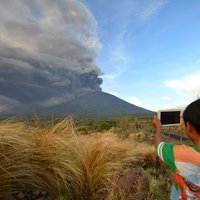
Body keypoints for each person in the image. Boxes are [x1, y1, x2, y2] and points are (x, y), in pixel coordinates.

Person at [152, 99, 200, 200]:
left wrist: (158, 129)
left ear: (189, 127)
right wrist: (188, 126)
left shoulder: (182, 154)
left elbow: (158, 146)